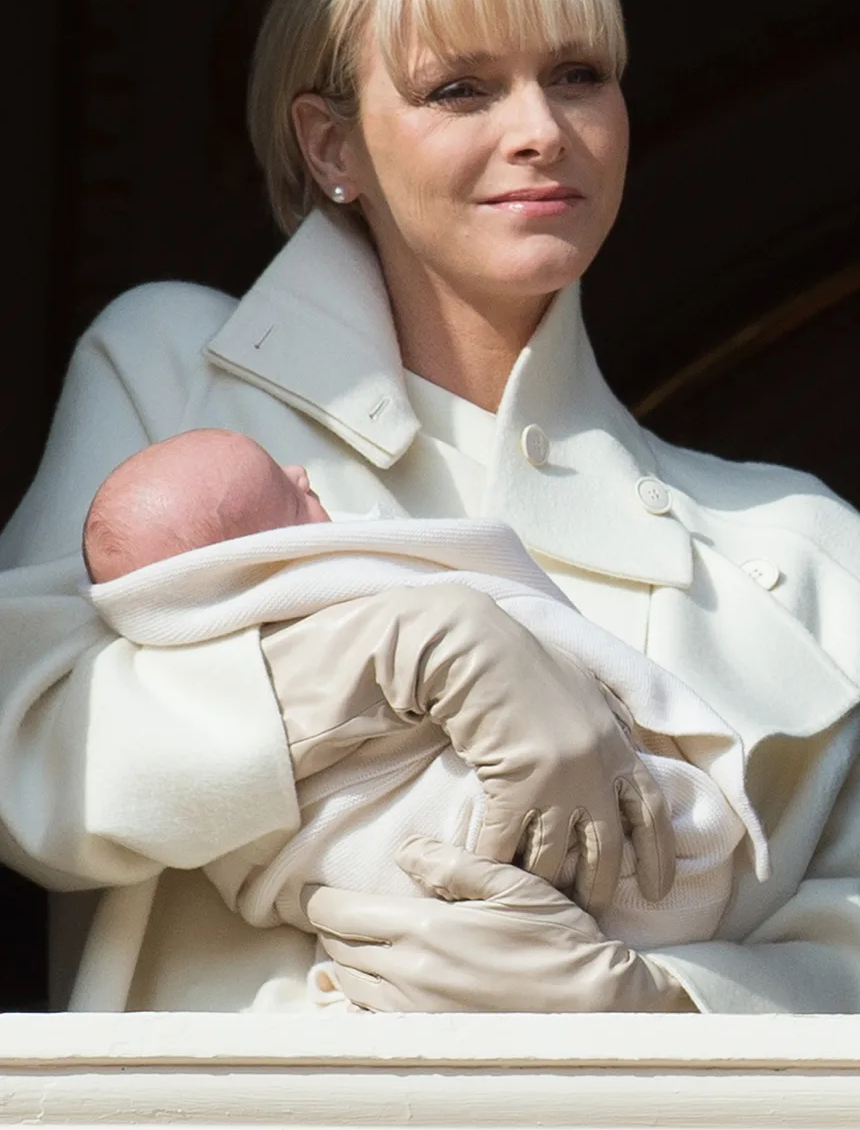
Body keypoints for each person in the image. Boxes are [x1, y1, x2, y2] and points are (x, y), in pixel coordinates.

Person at [0, 0, 860, 1013]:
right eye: (460, 88)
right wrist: (395, 648)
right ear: (333, 147)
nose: (541, 130)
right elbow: (28, 751)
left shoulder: (810, 554)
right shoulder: (173, 371)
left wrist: (644, 1007)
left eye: (579, 76)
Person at [79, 427, 763, 998]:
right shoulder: (154, 354)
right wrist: (387, 646)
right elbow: (60, 717)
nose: (302, 472)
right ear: (263, 557)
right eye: (289, 495)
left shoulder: (811, 542)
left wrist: (665, 1013)